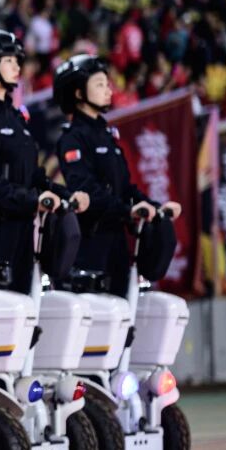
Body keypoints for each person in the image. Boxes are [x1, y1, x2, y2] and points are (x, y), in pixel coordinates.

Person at [0, 29, 89, 293]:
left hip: (25, 234)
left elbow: (34, 176)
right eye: (9, 60)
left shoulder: (16, 118)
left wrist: (65, 195)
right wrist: (33, 200)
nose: (17, 67)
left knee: (26, 311)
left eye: (17, 60)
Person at [53, 54, 181, 296]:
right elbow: (87, 190)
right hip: (90, 243)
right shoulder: (72, 138)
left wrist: (155, 207)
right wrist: (127, 210)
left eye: (107, 84)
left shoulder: (107, 135)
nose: (108, 90)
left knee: (123, 310)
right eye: (99, 84)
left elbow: (126, 188)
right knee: (96, 313)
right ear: (79, 93)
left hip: (117, 242)